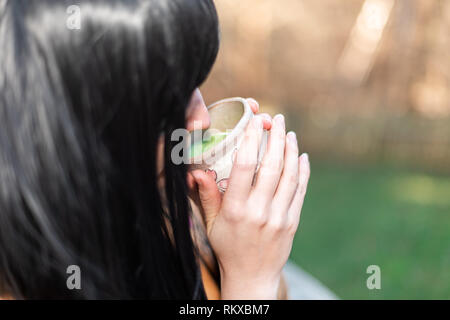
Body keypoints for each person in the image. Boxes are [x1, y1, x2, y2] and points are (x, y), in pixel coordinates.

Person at [0, 0, 310, 299]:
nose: (202, 118)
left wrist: (231, 242)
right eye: (170, 99)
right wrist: (250, 283)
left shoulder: (174, 219)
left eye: (195, 82)